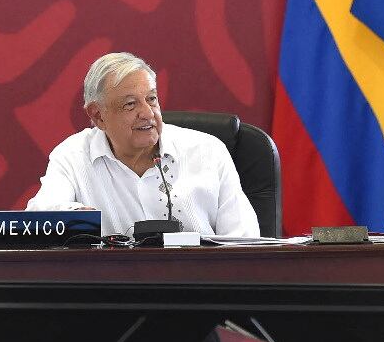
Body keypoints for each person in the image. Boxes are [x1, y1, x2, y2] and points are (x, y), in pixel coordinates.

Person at [26, 51, 260, 237]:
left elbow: (246, 242)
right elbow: (39, 219)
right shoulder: (73, 156)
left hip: (204, 289)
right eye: (130, 104)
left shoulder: (208, 151)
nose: (148, 113)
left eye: (152, 99)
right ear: (98, 116)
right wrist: (77, 220)